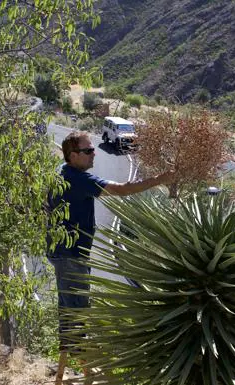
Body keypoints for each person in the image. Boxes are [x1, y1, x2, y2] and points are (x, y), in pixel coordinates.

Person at [46, 131, 173, 385]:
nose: (94, 153)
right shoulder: (78, 179)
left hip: (61, 254)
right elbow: (122, 189)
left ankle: (70, 374)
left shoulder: (62, 171)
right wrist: (162, 179)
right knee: (78, 314)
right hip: (72, 257)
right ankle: (89, 372)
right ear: (73, 156)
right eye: (88, 151)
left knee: (70, 312)